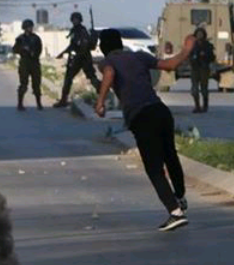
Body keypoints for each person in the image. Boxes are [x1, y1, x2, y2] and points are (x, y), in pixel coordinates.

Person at [95, 28, 193, 232]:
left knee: (154, 167)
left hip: (141, 117)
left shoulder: (107, 62)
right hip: (160, 111)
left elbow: (110, 73)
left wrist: (100, 102)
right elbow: (171, 65)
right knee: (170, 156)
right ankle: (180, 197)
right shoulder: (139, 56)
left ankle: (175, 212)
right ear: (120, 44)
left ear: (103, 47)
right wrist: (186, 49)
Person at [52, 12, 101, 108]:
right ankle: (63, 100)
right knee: (69, 78)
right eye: (73, 19)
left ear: (79, 20)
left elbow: (81, 45)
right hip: (81, 57)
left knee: (90, 77)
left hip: (81, 58)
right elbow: (72, 45)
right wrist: (63, 52)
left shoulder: (81, 30)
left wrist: (75, 55)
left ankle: (103, 94)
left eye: (76, 19)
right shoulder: (76, 30)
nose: (74, 21)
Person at [12, 18, 43, 110]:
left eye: (31, 27)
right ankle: (20, 104)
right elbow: (15, 50)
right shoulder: (20, 39)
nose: (30, 28)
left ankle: (39, 104)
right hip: (24, 62)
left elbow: (39, 49)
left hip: (34, 62)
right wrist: (23, 49)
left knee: (36, 84)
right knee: (23, 84)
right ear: (24, 28)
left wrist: (33, 53)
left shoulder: (36, 38)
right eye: (28, 27)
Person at [189, 27, 216, 113]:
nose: (199, 35)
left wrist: (205, 55)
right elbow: (188, 56)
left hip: (204, 68)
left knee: (204, 89)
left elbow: (212, 57)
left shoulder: (208, 45)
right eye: (198, 34)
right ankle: (197, 106)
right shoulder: (192, 46)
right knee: (194, 90)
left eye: (201, 34)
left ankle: (205, 106)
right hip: (195, 68)